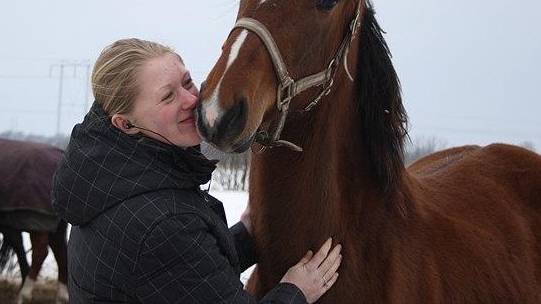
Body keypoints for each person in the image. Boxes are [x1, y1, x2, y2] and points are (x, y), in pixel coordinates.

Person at [52, 38, 342, 303]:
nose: (191, 100)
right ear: (125, 124)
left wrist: (245, 235)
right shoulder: (161, 221)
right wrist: (296, 290)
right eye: (168, 97)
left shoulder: (107, 183)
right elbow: (168, 250)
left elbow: (175, 277)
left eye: (187, 82)